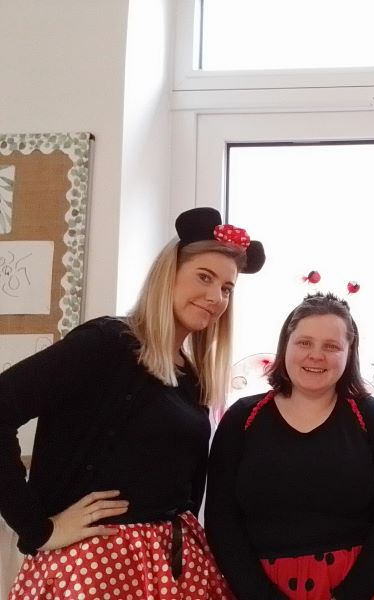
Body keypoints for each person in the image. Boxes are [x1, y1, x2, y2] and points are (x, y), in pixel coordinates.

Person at [0, 207, 265, 600]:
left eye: (227, 288)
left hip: (175, 565)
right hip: (94, 567)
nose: (215, 297)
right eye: (204, 277)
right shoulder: (106, 344)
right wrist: (37, 528)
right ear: (168, 274)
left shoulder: (191, 379)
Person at [205, 292, 374, 600]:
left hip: (359, 588)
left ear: (349, 353)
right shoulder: (241, 418)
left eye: (331, 346)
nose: (316, 355)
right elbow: (221, 519)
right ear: (285, 345)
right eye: (304, 343)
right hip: (256, 588)